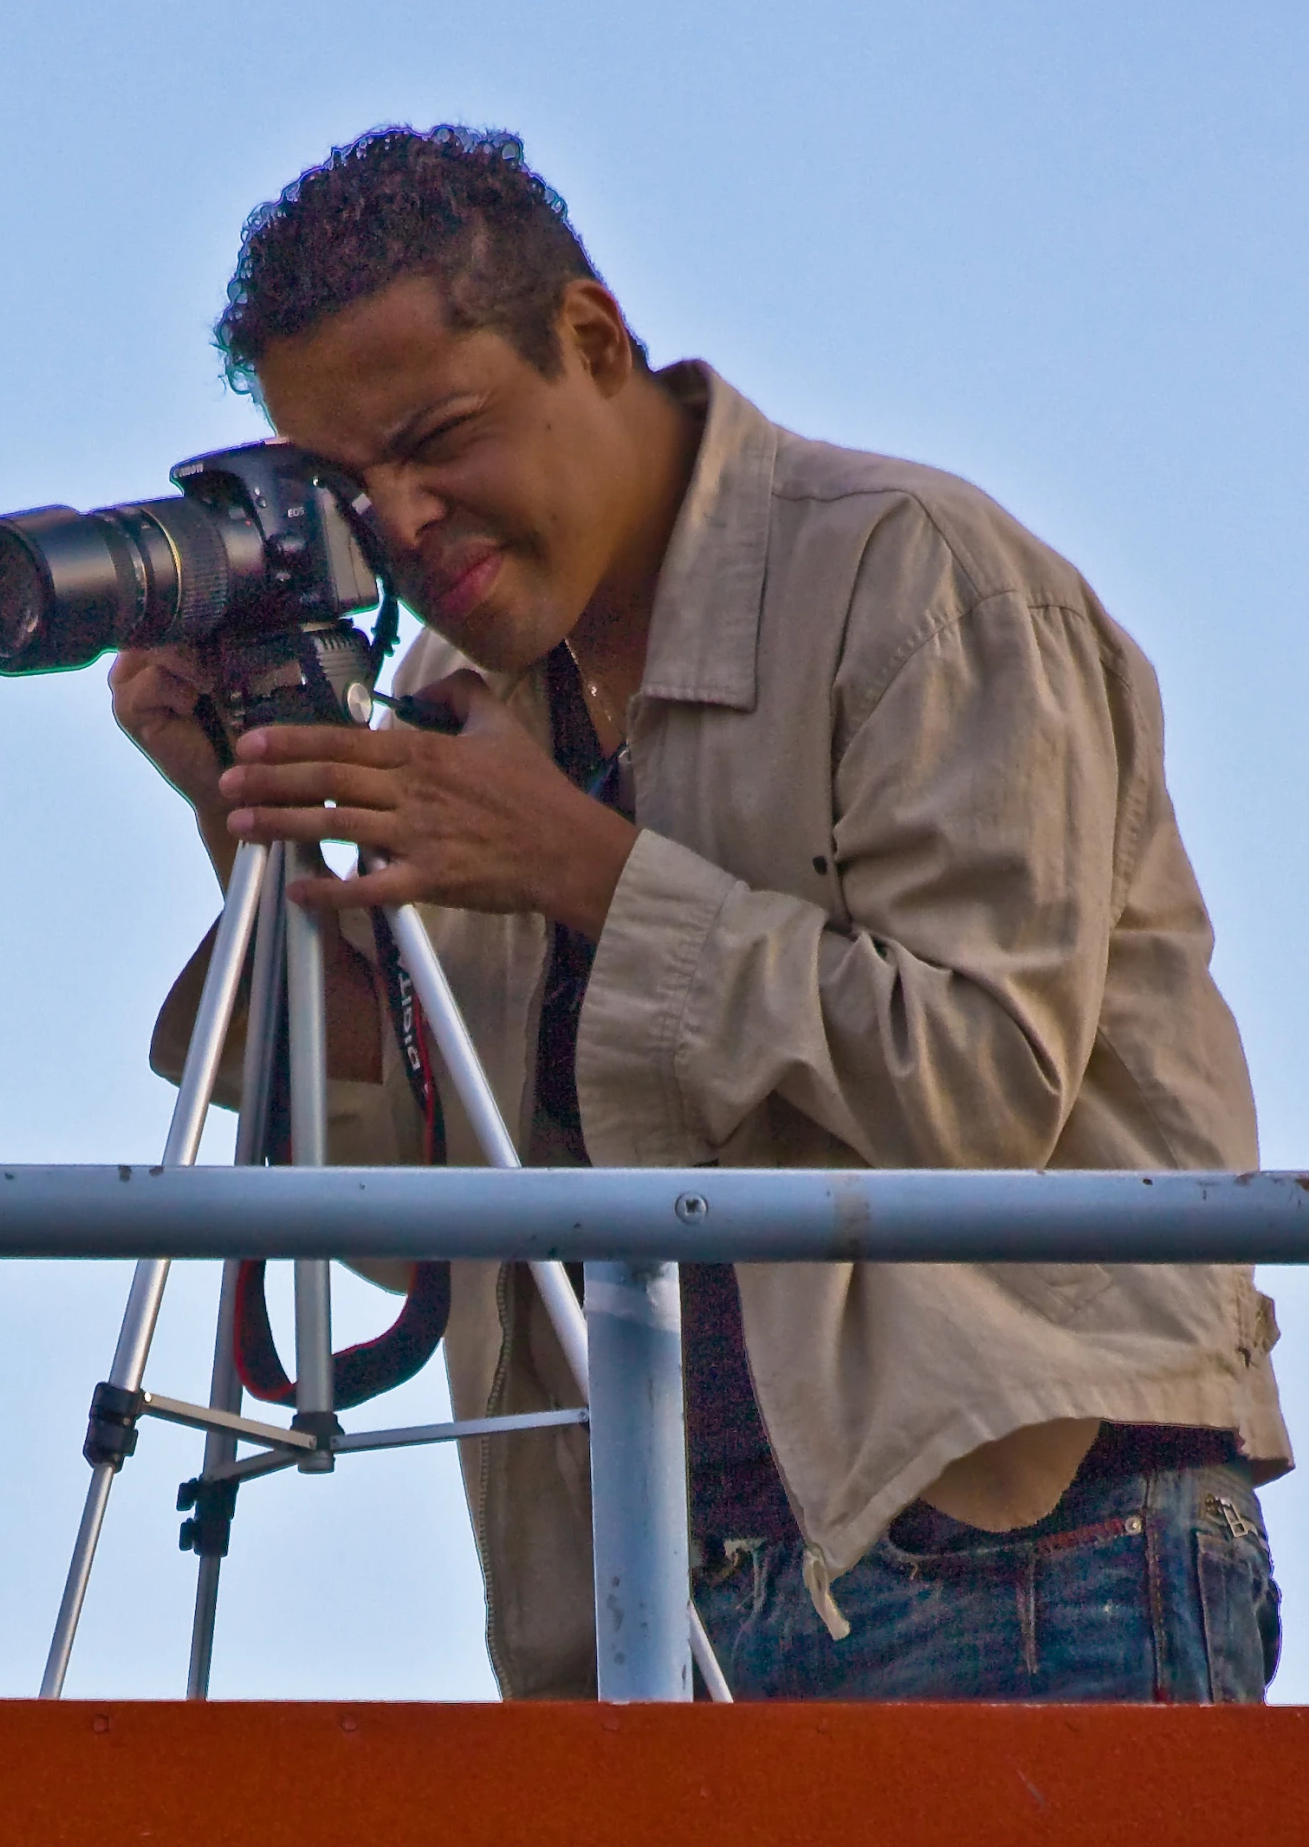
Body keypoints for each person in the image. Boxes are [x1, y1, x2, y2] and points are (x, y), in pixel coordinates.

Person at [115, 124, 1286, 1704]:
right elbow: (403, 1232)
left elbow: (987, 1081)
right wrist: (232, 807)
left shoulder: (913, 576)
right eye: (344, 484)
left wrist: (582, 867)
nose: (399, 522)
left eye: (436, 438)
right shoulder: (454, 706)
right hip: (646, 1606)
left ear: (592, 339)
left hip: (1022, 1551)